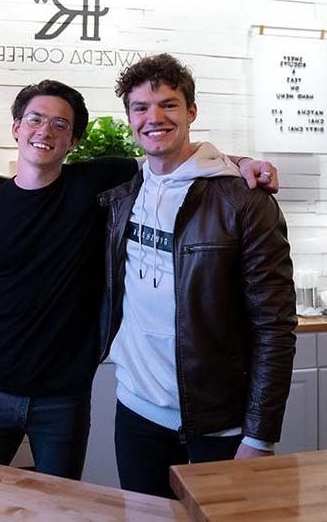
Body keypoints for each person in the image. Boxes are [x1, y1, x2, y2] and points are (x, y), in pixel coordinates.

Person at [0, 77, 279, 480]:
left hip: (64, 398)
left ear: (74, 140)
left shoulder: (96, 185)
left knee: (62, 508)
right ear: (16, 127)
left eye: (60, 125)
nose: (45, 131)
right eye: (35, 119)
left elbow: (176, 156)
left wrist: (243, 163)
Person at [98, 53, 297, 498]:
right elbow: (44, 175)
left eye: (169, 104)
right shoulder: (123, 190)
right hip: (136, 412)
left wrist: (260, 436)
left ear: (191, 111)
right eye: (141, 108)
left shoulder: (242, 200)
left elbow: (275, 325)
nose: (155, 118)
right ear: (129, 116)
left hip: (218, 422)